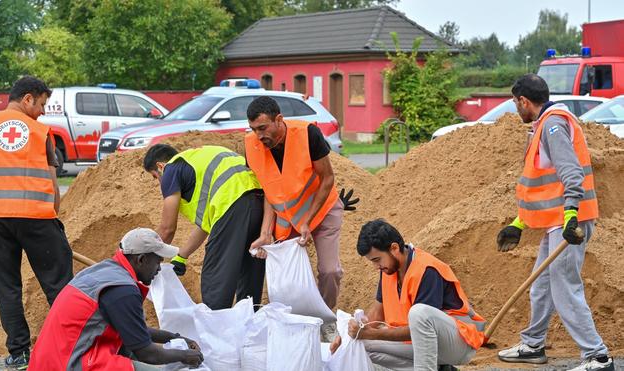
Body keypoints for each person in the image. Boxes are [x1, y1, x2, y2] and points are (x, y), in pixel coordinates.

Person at [496, 74, 613, 371]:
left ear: (524, 101)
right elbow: (543, 187)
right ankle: (533, 344)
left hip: (569, 222)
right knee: (542, 285)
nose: (515, 108)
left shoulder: (553, 125)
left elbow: (571, 174)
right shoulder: (543, 125)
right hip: (558, 220)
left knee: (565, 288)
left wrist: (571, 216)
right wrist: (518, 224)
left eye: (514, 102)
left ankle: (597, 356)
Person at [0, 76, 73, 369]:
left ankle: (19, 353)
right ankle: (75, 347)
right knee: (60, 286)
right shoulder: (40, 132)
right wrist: (54, 219)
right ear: (27, 99)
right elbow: (52, 185)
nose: (42, 112)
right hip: (37, 218)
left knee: (6, 286)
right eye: (41, 104)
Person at [29, 228, 204, 370]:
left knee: (127, 348)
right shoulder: (123, 290)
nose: (159, 269)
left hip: (54, 359)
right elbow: (146, 353)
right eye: (157, 262)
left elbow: (135, 331)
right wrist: (184, 356)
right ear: (141, 260)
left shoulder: (106, 272)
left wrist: (174, 337)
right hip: (70, 363)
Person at [245, 97, 345, 333]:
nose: (258, 136)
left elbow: (327, 178)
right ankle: (295, 322)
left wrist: (308, 221)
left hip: (322, 210)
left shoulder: (308, 134)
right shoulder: (252, 145)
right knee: (287, 277)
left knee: (329, 271)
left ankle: (325, 320)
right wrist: (265, 233)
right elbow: (269, 190)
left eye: (262, 128)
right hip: (287, 217)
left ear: (279, 120)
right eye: (253, 130)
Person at [330, 219, 485, 371]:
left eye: (377, 260)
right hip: (424, 344)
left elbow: (420, 327)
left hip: (459, 342)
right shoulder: (389, 269)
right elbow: (377, 313)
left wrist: (373, 333)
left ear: (394, 248)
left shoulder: (426, 270)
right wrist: (349, 337)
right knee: (359, 346)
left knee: (419, 313)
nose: (376, 267)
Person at [143, 143, 265, 310]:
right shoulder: (198, 163)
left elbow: (167, 228)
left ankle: (214, 327)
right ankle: (250, 322)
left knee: (215, 276)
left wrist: (145, 257)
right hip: (260, 201)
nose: (158, 183)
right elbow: (207, 226)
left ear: (160, 166)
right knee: (249, 270)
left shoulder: (171, 169)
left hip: (233, 204)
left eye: (155, 177)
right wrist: (181, 256)